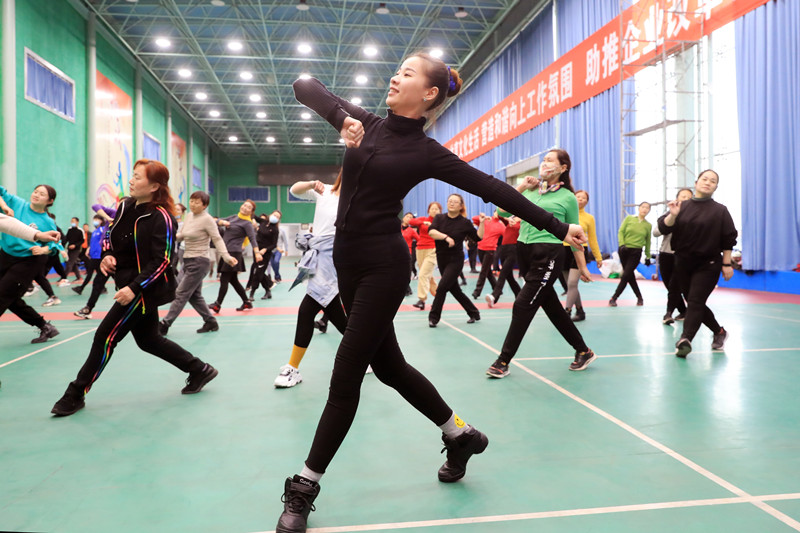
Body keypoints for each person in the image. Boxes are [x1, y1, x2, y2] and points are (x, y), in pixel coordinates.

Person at [277, 54, 586, 533]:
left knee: (347, 371)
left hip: (383, 267)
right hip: (346, 264)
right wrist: (341, 119)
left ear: (429, 94)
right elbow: (304, 84)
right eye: (397, 69)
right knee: (390, 367)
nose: (395, 76)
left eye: (407, 73)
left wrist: (558, 226)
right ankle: (461, 436)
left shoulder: (425, 152)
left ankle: (304, 486)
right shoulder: (364, 123)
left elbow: (491, 188)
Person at [51, 159, 218, 417]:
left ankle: (75, 393)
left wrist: (134, 288)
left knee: (105, 337)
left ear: (154, 186)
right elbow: (110, 234)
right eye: (133, 175)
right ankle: (199, 369)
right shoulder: (125, 205)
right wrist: (108, 254)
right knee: (149, 340)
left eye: (138, 177)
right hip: (126, 283)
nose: (131, 180)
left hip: (143, 289)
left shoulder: (163, 218)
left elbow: (163, 261)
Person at [485, 149, 596, 379]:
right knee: (552, 307)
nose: (544, 163)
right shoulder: (531, 190)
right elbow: (501, 210)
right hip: (524, 251)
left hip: (549, 254)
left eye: (550, 160)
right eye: (543, 160)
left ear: (563, 168)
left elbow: (575, 235)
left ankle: (503, 361)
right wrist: (522, 186)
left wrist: (582, 266)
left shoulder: (567, 197)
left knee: (522, 304)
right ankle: (583, 351)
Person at [273, 175, 348, 389]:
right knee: (335, 313)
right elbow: (294, 190)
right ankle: (368, 354)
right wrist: (311, 183)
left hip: (337, 257)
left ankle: (293, 368)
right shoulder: (325, 191)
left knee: (307, 310)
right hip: (319, 255)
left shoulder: (357, 198)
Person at [657, 170, 737, 357]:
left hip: (708, 264)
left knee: (695, 301)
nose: (708, 182)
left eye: (713, 181)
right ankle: (719, 332)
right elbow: (662, 228)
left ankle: (685, 339)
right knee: (694, 302)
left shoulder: (720, 210)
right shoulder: (681, 206)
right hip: (682, 263)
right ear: (696, 182)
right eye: (705, 179)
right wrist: (673, 215)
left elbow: (728, 239)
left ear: (716, 187)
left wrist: (727, 265)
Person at [159, 191, 236, 336]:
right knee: (195, 296)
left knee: (180, 293)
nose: (193, 204)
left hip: (199, 261)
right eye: (191, 201)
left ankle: (164, 324)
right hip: (187, 260)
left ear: (204, 205)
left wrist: (226, 256)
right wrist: (167, 237)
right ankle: (210, 322)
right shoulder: (189, 216)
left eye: (197, 202)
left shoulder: (207, 220)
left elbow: (217, 238)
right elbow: (181, 236)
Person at [0, 185, 64, 344]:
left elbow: (55, 245)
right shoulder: (16, 203)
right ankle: (44, 326)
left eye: (42, 194)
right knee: (11, 299)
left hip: (28, 261)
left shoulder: (47, 221)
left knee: (3, 294)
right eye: (35, 191)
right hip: (6, 254)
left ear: (50, 201)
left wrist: (43, 250)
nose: (36, 195)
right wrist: (4, 206)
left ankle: (44, 326)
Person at [427, 193, 484, 327]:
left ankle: (433, 317)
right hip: (441, 258)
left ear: (461, 206)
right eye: (450, 201)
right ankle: (474, 312)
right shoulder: (439, 218)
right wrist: (446, 237)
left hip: (455, 259)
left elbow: (478, 238)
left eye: (455, 202)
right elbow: (431, 232)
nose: (451, 203)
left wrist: (482, 223)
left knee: (442, 287)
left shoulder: (465, 223)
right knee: (455, 290)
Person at [210, 200, 262, 313]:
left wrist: (257, 253)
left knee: (224, 279)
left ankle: (217, 304)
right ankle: (246, 302)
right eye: (244, 205)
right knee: (233, 280)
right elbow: (215, 221)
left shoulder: (247, 223)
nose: (245, 208)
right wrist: (223, 222)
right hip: (225, 252)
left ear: (251, 212)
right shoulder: (234, 217)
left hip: (233, 253)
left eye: (248, 207)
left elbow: (252, 239)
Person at [653, 188, 693, 324]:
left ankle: (668, 313)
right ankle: (683, 311)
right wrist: (671, 219)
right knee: (669, 285)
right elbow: (656, 232)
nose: (686, 199)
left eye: (689, 197)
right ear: (677, 199)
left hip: (682, 256)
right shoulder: (669, 214)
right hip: (666, 254)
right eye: (683, 196)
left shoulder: (694, 216)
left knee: (674, 285)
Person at [564, 190, 603, 322]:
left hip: (579, 250)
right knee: (570, 286)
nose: (580, 199)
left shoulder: (589, 218)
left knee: (572, 283)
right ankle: (580, 311)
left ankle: (566, 313)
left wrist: (598, 257)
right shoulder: (565, 213)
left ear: (587, 202)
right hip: (563, 250)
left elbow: (592, 238)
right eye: (578, 197)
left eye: (584, 198)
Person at [74, 205, 117, 320]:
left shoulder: (129, 220)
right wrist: (108, 217)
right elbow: (95, 206)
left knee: (125, 286)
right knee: (97, 283)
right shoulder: (111, 218)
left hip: (118, 260)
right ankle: (88, 308)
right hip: (104, 259)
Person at [609, 201, 652, 307]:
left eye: (647, 208)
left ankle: (614, 297)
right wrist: (622, 244)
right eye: (643, 207)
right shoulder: (629, 219)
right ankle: (640, 297)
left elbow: (648, 241)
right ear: (639, 208)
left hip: (636, 252)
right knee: (629, 275)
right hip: (624, 250)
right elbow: (621, 231)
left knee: (626, 275)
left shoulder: (648, 225)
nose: (644, 209)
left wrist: (648, 256)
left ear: (649, 211)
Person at [408, 202, 440, 310]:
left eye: (436, 209)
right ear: (428, 210)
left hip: (433, 250)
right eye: (432, 208)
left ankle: (421, 300)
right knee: (428, 276)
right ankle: (439, 297)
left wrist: (432, 226)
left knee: (422, 275)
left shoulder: (440, 222)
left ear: (440, 211)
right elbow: (411, 221)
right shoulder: (423, 219)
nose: (434, 210)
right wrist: (422, 222)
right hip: (420, 249)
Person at [485, 215, 521, 307]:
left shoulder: (523, 223)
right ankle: (521, 297)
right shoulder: (510, 220)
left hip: (513, 249)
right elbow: (499, 215)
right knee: (509, 277)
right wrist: (508, 219)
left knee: (503, 273)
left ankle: (494, 296)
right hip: (503, 249)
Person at [248, 210, 282, 300]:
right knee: (259, 271)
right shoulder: (263, 222)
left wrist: (265, 249)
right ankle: (268, 290)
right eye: (274, 215)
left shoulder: (275, 229)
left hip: (265, 253)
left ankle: (252, 293)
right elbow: (253, 215)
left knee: (258, 272)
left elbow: (274, 244)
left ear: (278, 220)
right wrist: (253, 221)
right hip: (256, 250)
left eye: (277, 217)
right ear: (271, 214)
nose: (275, 217)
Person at [470, 210, 504, 299]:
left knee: (483, 271)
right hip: (480, 248)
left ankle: (477, 292)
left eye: (500, 213)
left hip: (490, 250)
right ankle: (497, 289)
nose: (497, 214)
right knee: (487, 271)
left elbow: (507, 234)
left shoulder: (501, 226)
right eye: (497, 212)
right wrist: (484, 217)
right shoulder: (486, 220)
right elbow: (474, 219)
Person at [400, 212, 418, 296]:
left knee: (406, 273)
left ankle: (407, 289)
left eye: (411, 217)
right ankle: (406, 289)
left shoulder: (411, 230)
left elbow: (419, 239)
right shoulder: (396, 228)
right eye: (407, 216)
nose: (408, 218)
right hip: (395, 253)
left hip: (407, 253)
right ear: (403, 217)